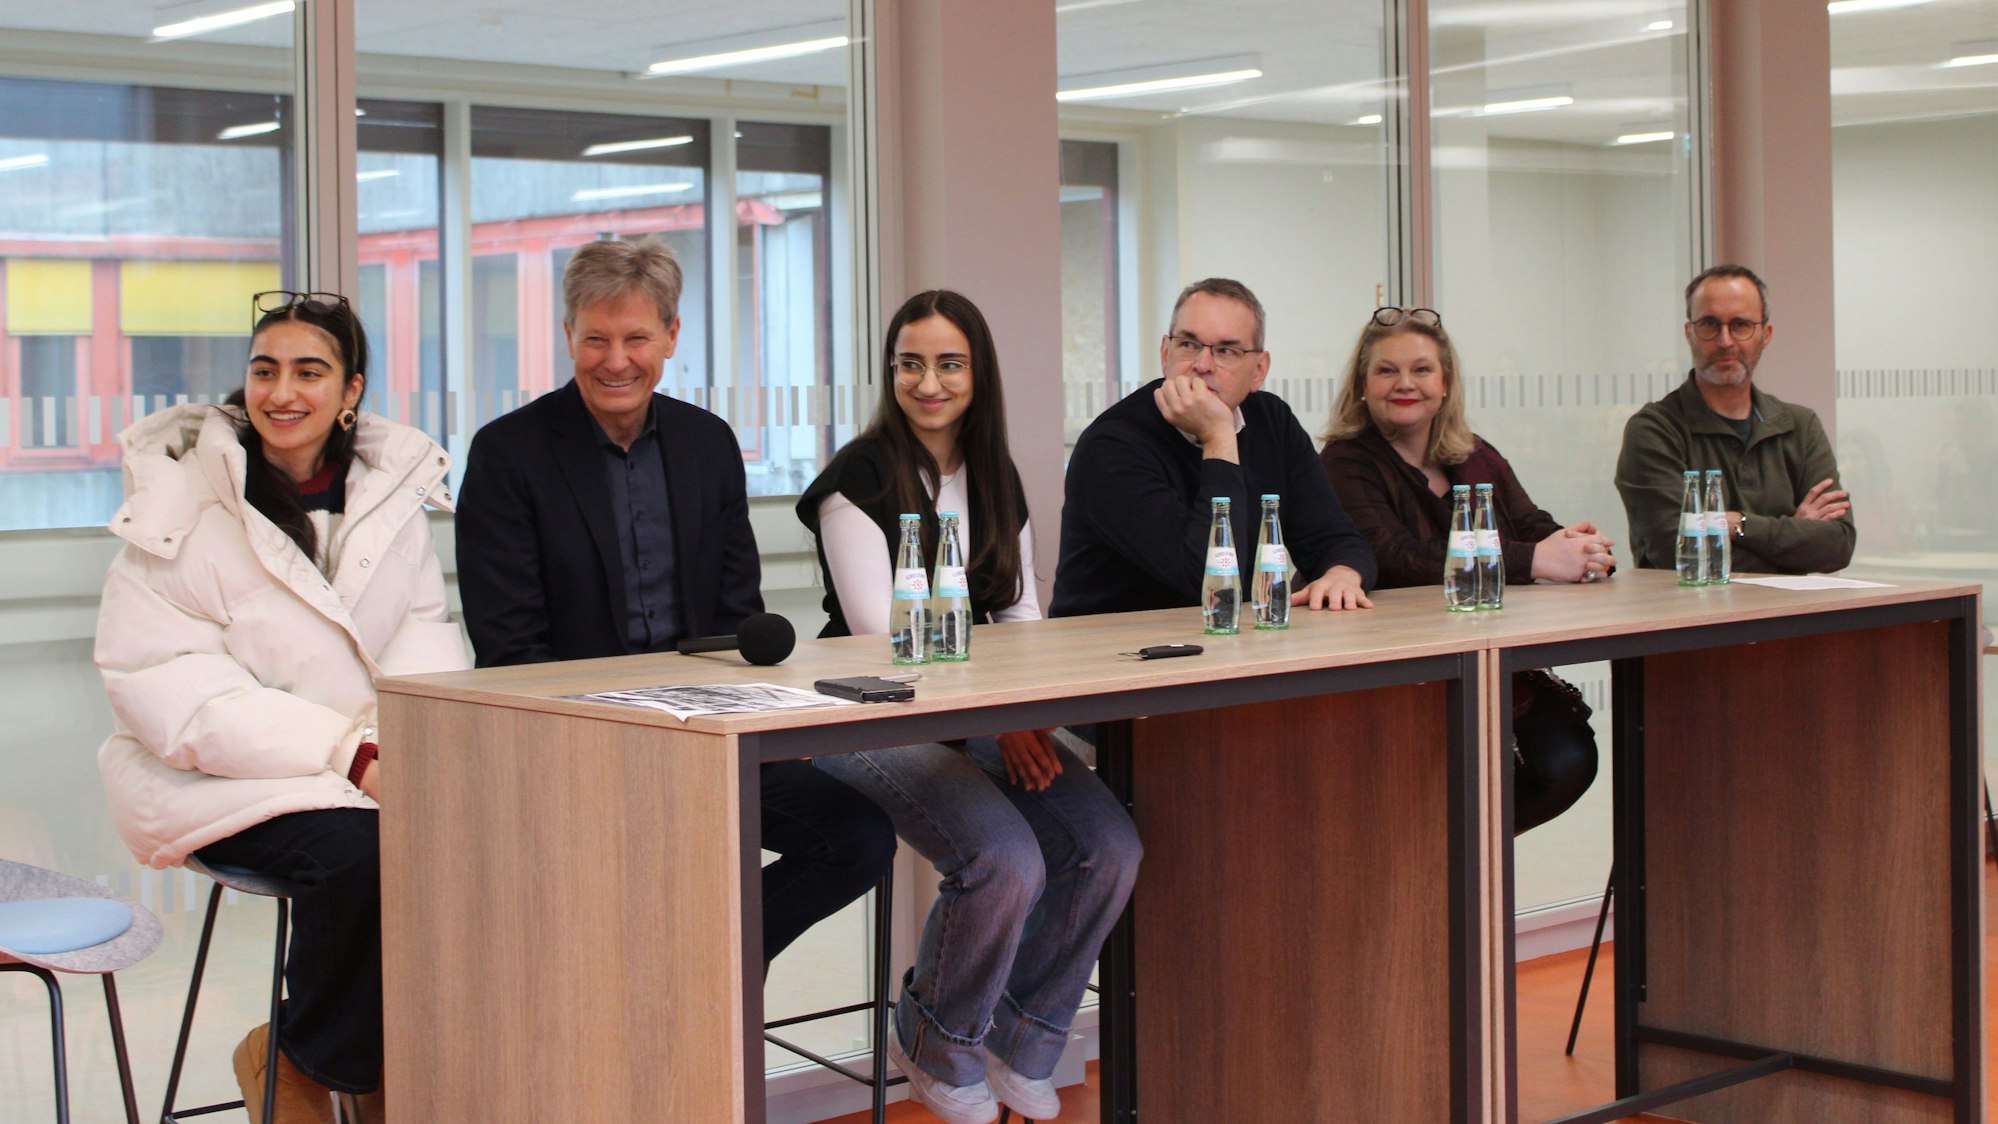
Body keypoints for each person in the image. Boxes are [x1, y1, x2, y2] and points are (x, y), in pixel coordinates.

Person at [453, 237, 893, 971]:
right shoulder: (508, 453)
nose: (615, 360)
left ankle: (707, 969)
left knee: (856, 837)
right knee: (626, 890)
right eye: (595, 338)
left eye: (636, 338)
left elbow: (737, 612)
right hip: (575, 747)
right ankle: (677, 988)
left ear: (671, 337)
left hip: (705, 735)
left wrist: (760, 717)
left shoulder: (708, 444)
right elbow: (509, 648)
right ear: (568, 335)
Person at [95, 291, 465, 1123]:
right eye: (265, 370)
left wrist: (409, 753)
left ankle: (374, 1061)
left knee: (474, 842)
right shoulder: (181, 504)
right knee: (365, 853)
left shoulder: (389, 500)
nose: (282, 391)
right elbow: (175, 690)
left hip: (363, 767)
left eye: (310, 371)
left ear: (351, 392)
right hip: (215, 774)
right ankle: (305, 1060)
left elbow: (422, 640)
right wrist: (355, 755)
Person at [795, 290, 1140, 1124]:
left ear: (977, 373)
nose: (928, 382)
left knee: (1108, 846)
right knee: (1006, 859)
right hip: (865, 716)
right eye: (910, 363)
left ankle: (1022, 1034)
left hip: (982, 709)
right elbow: (888, 640)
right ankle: (935, 1035)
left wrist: (1019, 717)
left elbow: (1020, 614)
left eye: (949, 363)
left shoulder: (993, 474)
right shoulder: (859, 478)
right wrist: (1002, 721)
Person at [1319, 307, 1608, 832]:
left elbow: (1531, 523)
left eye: (1422, 370)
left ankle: (1458, 882)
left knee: (1565, 759)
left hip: (1487, 663)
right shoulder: (1345, 461)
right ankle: (1434, 879)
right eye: (1387, 370)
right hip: (1398, 679)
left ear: (1445, 382)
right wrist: (1539, 559)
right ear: (1362, 384)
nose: (1405, 383)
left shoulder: (1474, 454)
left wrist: (1579, 549)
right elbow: (1396, 559)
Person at [1053, 277, 1376, 618]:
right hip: (1111, 655)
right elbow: (1207, 582)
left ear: (1259, 370)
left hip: (1224, 646)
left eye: (1226, 351)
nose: (1203, 364)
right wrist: (1219, 437)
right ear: (1166, 354)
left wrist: (1343, 572)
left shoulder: (1273, 422)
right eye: (1189, 345)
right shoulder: (1111, 447)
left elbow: (1335, 538)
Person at [1616, 264, 1855, 573]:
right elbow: (1673, 549)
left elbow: (1838, 544)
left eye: (1740, 325)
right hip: (1690, 616)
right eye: (1709, 324)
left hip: (1789, 617)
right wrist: (1793, 536)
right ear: (1689, 334)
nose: (1725, 340)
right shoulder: (1655, 430)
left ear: (1765, 335)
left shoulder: (1800, 426)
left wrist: (1738, 524)